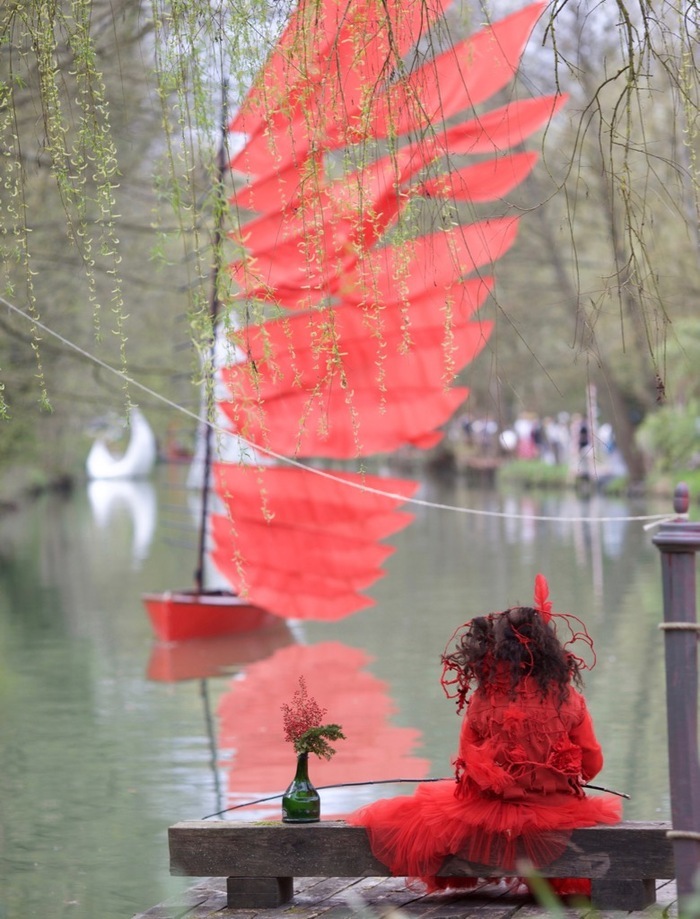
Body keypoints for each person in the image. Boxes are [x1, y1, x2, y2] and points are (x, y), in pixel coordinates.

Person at [347, 575, 622, 898]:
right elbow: (591, 762)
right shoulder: (568, 697)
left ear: (497, 648)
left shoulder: (484, 698)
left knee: (424, 810)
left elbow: (468, 766)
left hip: (492, 815)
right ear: (547, 648)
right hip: (556, 813)